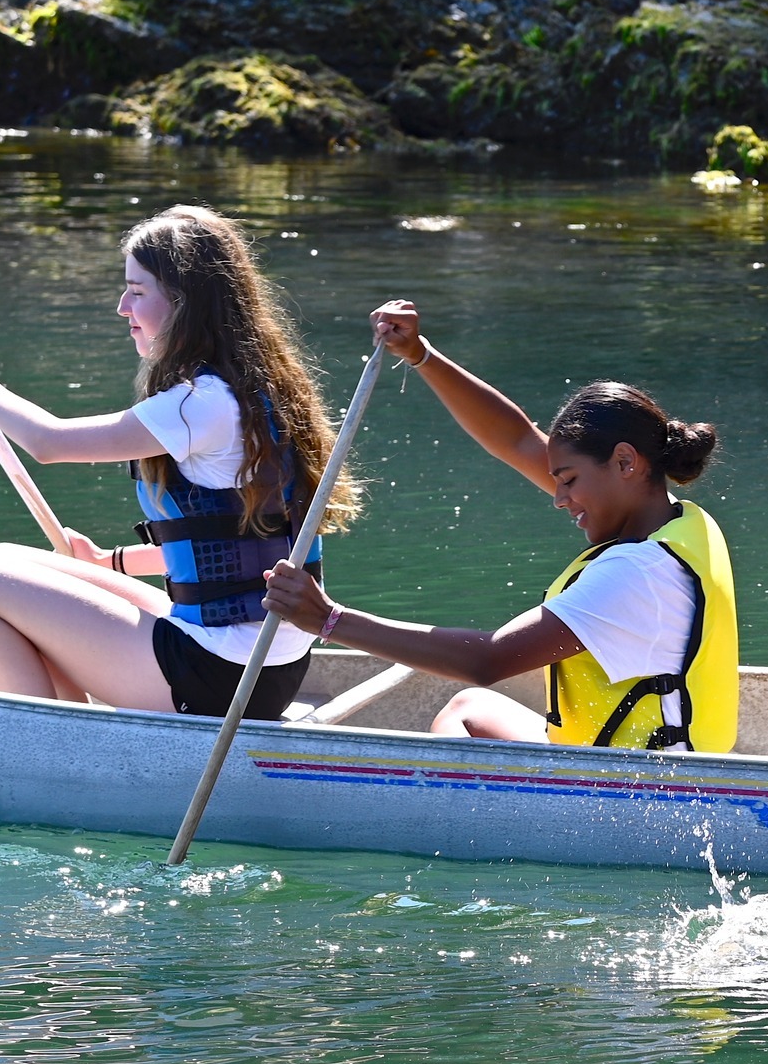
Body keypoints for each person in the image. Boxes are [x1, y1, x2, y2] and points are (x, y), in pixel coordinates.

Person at [259, 300, 741, 750]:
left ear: (624, 462)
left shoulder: (637, 574)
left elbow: (485, 661)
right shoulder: (670, 517)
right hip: (648, 763)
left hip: (643, 793)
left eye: (569, 480)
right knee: (469, 710)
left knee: (472, 694)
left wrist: (327, 619)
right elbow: (518, 440)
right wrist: (421, 355)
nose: (558, 498)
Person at [0, 204, 347, 717]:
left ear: (184, 302)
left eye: (138, 291)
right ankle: (67, 726)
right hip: (266, 666)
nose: (123, 307)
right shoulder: (261, 387)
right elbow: (241, 540)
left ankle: (44, 751)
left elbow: (48, 442)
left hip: (222, 675)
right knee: (2, 562)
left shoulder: (200, 403)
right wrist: (112, 562)